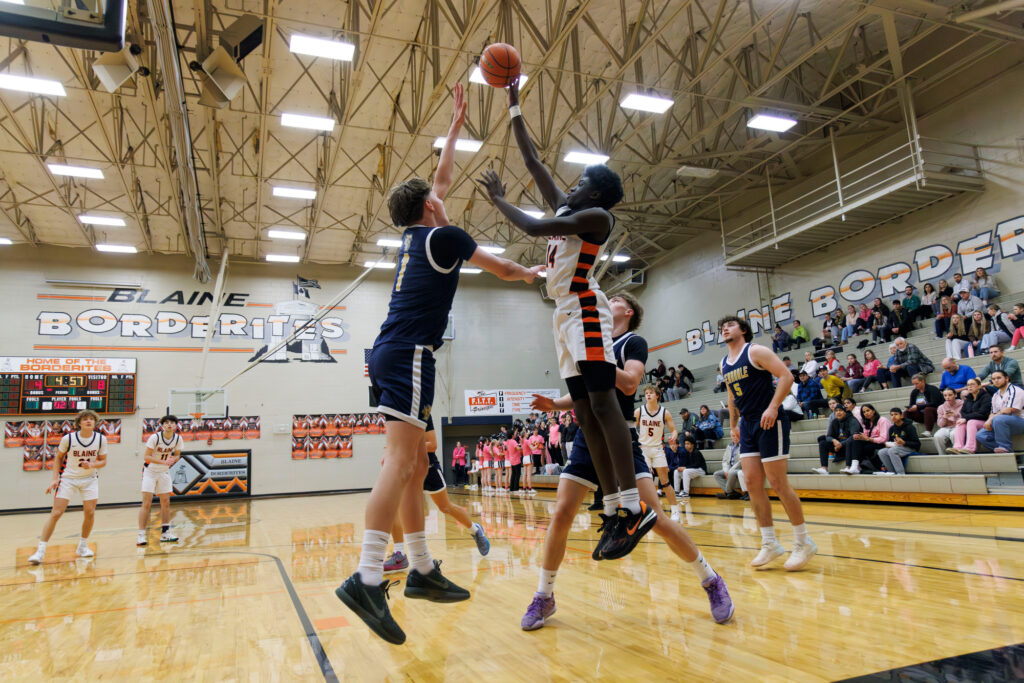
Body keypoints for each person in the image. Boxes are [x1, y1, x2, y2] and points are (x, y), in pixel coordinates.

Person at [337, 83, 540, 646]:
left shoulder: (416, 235)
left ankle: (422, 569)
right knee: (401, 462)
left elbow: (442, 178)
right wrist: (532, 274)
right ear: (431, 206)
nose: (441, 191)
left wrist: (455, 124)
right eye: (436, 194)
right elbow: (499, 268)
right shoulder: (446, 236)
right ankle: (368, 577)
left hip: (392, 353)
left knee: (408, 466)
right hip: (410, 355)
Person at [479, 78, 660, 560]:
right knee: (583, 414)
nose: (572, 186)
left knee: (602, 406)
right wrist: (513, 104)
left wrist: (498, 200)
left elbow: (536, 225)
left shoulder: (597, 217)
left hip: (584, 307)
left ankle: (630, 504)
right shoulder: (571, 205)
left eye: (581, 182)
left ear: (596, 192)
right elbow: (535, 162)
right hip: (562, 316)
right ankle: (616, 509)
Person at [521, 292, 734, 630]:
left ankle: (711, 581)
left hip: (621, 436)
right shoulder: (591, 338)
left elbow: (631, 382)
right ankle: (544, 596)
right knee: (561, 513)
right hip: (587, 438)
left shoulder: (633, 342)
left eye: (615, 298)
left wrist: (598, 361)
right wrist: (556, 404)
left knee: (657, 519)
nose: (607, 299)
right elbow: (582, 390)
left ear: (627, 310)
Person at [719, 315, 817, 570]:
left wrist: (773, 407)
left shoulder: (756, 351)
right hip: (748, 424)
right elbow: (731, 396)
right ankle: (770, 543)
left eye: (730, 325)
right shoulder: (724, 363)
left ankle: (803, 541)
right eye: (722, 327)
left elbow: (786, 377)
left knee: (777, 482)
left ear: (743, 330)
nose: (725, 328)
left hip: (770, 420)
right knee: (751, 483)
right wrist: (733, 425)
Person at [385, 418, 491, 574]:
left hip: (428, 467)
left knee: (445, 507)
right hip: (406, 466)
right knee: (395, 507)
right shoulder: (395, 416)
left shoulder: (422, 413)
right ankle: (399, 553)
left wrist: (407, 446)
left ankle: (475, 530)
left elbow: (432, 445)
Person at [27, 410, 107, 564]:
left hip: (90, 479)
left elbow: (103, 461)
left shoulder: (101, 439)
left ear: (95, 422)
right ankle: (40, 551)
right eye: (85, 419)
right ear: (79, 423)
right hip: (68, 478)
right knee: (56, 513)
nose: (89, 421)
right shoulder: (68, 439)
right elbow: (58, 459)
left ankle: (83, 547)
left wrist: (92, 464)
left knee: (90, 513)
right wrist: (54, 479)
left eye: (91, 419)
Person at [635, 385, 682, 522]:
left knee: (665, 482)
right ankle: (647, 511)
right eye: (646, 393)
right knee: (645, 481)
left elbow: (674, 430)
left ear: (657, 395)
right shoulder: (639, 411)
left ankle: (675, 511)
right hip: (643, 448)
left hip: (657, 449)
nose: (648, 395)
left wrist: (673, 436)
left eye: (650, 393)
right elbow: (631, 427)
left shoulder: (664, 413)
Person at [137, 414, 181, 546]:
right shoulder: (155, 437)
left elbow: (178, 455)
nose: (169, 425)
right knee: (147, 503)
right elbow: (147, 456)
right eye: (166, 422)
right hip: (150, 472)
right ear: (162, 425)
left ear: (175, 425)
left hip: (164, 472)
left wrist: (173, 460)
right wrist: (163, 461)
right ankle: (141, 535)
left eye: (172, 423)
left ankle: (166, 534)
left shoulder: (178, 438)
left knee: (166, 503)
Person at [975, 370, 1024, 453]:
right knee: (981, 435)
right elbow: (993, 412)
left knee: (998, 419)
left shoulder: (1015, 390)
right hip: (1002, 423)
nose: (996, 380)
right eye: (993, 379)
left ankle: (1005, 447)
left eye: (999, 378)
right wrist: (988, 421)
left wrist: (991, 420)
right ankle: (1006, 452)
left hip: (1020, 421)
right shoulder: (996, 395)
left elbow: (1008, 410)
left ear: (1007, 378)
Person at [811, 404, 862, 475]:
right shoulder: (835, 421)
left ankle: (848, 467)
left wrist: (841, 444)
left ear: (845, 412)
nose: (838, 412)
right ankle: (824, 468)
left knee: (852, 440)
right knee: (823, 442)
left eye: (840, 410)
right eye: (836, 411)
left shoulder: (852, 420)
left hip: (851, 446)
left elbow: (854, 436)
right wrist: (834, 441)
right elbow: (828, 436)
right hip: (838, 446)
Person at [950, 378, 992, 453]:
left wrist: (966, 418)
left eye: (972, 384)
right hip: (971, 421)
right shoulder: (968, 398)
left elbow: (982, 413)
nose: (970, 387)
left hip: (985, 422)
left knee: (971, 422)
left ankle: (970, 448)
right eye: (968, 385)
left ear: (979, 386)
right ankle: (957, 447)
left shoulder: (986, 397)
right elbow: (963, 411)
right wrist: (965, 418)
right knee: (960, 423)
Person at [848, 404, 892, 472]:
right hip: (872, 442)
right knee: (854, 441)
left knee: (865, 448)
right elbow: (866, 435)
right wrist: (860, 436)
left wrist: (868, 439)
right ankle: (855, 465)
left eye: (868, 410)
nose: (866, 413)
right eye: (864, 412)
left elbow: (884, 438)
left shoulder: (882, 420)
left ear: (873, 411)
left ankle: (858, 465)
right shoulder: (867, 422)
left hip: (884, 443)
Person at [877, 408, 921, 475]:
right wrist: (888, 444)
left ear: (901, 416)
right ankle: (892, 473)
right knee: (881, 452)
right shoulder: (892, 428)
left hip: (910, 447)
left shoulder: (909, 427)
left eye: (896, 414)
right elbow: (892, 442)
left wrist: (904, 442)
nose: (893, 417)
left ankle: (901, 473)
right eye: (891, 415)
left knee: (892, 451)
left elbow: (917, 444)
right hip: (898, 447)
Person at [713, 432, 746, 499]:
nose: (735, 437)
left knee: (731, 472)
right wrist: (726, 470)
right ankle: (731, 493)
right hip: (730, 469)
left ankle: (727, 493)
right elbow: (725, 460)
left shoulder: (743, 445)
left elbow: (741, 461)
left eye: (737, 435)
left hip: (739, 468)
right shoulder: (729, 446)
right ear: (731, 437)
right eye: (733, 436)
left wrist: (730, 470)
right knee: (716, 474)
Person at [933, 388, 963, 455]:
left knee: (954, 434)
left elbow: (965, 418)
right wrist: (944, 418)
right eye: (945, 395)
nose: (947, 397)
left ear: (955, 395)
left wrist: (955, 415)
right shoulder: (941, 407)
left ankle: (957, 454)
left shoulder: (962, 404)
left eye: (950, 395)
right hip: (946, 427)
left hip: (958, 426)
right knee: (937, 436)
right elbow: (940, 425)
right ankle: (942, 456)